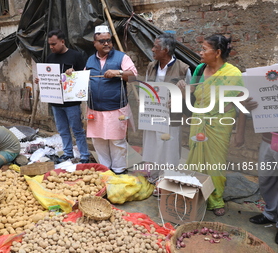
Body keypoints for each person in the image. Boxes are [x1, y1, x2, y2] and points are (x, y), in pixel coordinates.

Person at [181, 34, 247, 216]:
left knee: (215, 163)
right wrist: (183, 90)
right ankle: (196, 194)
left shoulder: (233, 74)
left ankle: (216, 199)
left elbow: (242, 105)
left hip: (219, 125)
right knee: (195, 159)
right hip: (198, 121)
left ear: (217, 52)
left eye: (204, 49)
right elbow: (190, 96)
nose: (200, 52)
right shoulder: (200, 70)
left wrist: (239, 133)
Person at [85, 25, 137, 174]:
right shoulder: (90, 60)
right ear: (94, 43)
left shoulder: (121, 57)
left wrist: (118, 72)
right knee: (98, 140)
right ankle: (105, 170)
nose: (106, 43)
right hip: (94, 108)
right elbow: (80, 80)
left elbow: (134, 76)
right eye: (102, 41)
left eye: (109, 40)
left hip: (116, 108)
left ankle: (119, 171)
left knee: (117, 141)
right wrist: (69, 75)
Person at [142, 33, 191, 189]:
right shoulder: (152, 66)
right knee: (152, 144)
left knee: (169, 147)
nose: (152, 49)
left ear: (166, 50)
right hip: (153, 113)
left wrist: (179, 96)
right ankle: (155, 175)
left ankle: (167, 179)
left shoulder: (183, 69)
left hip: (171, 115)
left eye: (156, 47)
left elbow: (190, 96)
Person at [36, 29, 90, 164]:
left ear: (62, 41)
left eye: (53, 44)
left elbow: (83, 77)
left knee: (77, 130)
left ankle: (84, 155)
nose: (51, 47)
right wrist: (41, 80)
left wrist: (72, 74)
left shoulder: (76, 56)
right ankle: (68, 153)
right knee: (62, 130)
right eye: (49, 44)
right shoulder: (50, 58)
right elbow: (49, 77)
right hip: (56, 102)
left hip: (71, 102)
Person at [243, 98, 278, 244]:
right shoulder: (268, 77)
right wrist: (251, 107)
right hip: (268, 137)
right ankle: (270, 213)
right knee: (266, 179)